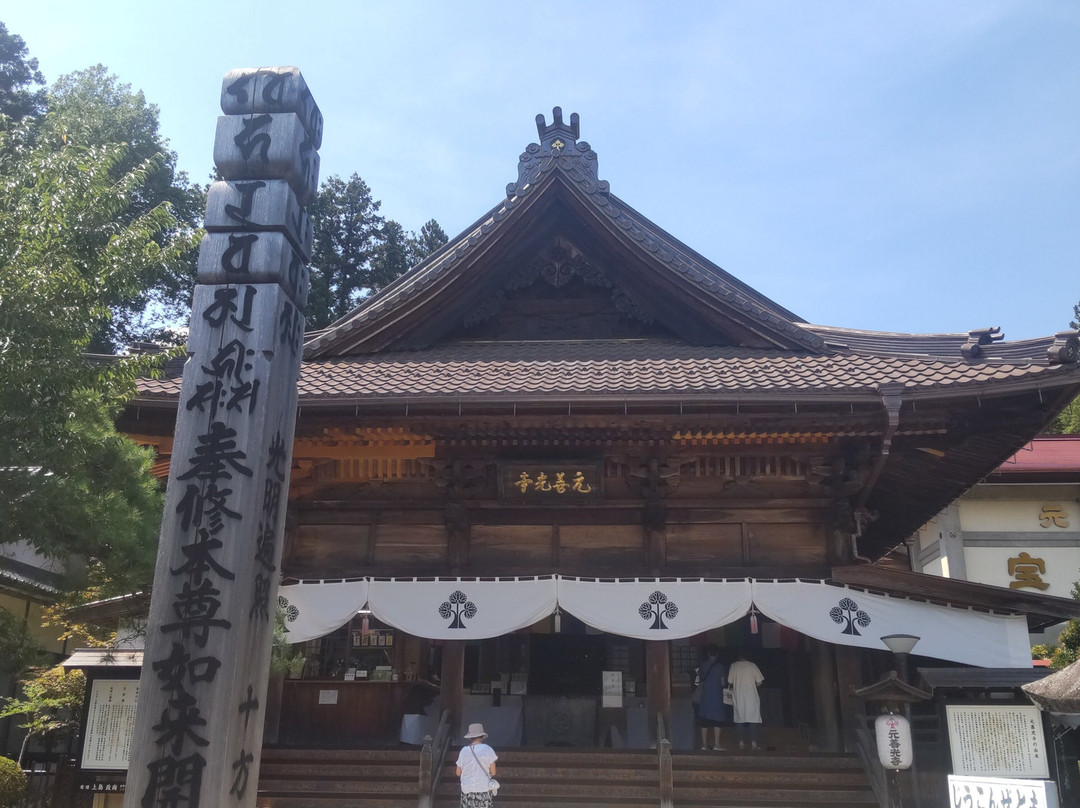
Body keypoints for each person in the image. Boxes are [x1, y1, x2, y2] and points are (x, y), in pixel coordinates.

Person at [692, 644, 729, 750]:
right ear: (717, 654)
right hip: (716, 695)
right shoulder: (720, 667)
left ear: (708, 654)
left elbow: (698, 679)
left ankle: (704, 744)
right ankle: (717, 744)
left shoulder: (703, 665)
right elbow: (722, 682)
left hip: (705, 695)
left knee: (704, 721)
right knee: (717, 720)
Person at [727, 652, 765, 750]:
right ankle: (753, 743)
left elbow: (730, 681)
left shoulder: (734, 666)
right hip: (751, 696)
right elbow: (760, 681)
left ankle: (741, 743)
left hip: (739, 696)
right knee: (753, 719)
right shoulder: (752, 666)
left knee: (739, 719)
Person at [456, 722, 498, 807]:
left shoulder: (463, 751)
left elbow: (458, 773)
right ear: (482, 736)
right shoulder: (488, 749)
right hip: (483, 788)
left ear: (470, 737)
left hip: (467, 789)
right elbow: (493, 772)